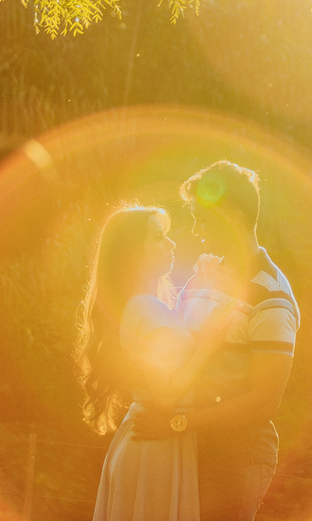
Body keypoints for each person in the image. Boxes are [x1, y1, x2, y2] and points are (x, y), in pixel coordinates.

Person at [133, 161, 300, 521]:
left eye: (201, 217)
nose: (195, 229)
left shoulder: (272, 298)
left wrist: (177, 423)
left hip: (235, 458)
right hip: (189, 447)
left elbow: (263, 404)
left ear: (232, 215)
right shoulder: (206, 275)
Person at [77, 205, 228, 521]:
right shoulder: (146, 311)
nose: (171, 244)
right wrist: (209, 344)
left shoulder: (147, 307)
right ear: (135, 253)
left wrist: (201, 286)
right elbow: (166, 394)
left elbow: (175, 336)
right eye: (159, 237)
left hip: (154, 442)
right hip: (153, 449)